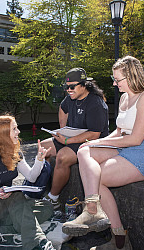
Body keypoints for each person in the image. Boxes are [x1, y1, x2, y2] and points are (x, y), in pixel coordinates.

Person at [62, 56, 144, 249]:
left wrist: (98, 142)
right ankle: (95, 212)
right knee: (84, 152)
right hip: (127, 145)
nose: (114, 83)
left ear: (132, 77)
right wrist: (92, 142)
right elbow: (119, 131)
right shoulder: (125, 98)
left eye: (117, 79)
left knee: (98, 177)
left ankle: (115, 236)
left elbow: (136, 139)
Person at [0, 114, 56, 250]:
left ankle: (0, 231)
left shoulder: (15, 153)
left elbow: (31, 177)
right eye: (14, 129)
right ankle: (37, 243)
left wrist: (39, 159)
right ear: (4, 133)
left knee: (47, 208)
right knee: (17, 196)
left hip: (11, 206)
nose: (18, 132)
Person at [41, 68, 109, 209]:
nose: (69, 90)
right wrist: (63, 129)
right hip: (71, 137)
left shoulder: (95, 103)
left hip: (90, 142)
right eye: (66, 87)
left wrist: (67, 141)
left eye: (72, 86)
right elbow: (62, 108)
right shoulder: (71, 98)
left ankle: (54, 198)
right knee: (42, 149)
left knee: (62, 157)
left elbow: (94, 134)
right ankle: (43, 187)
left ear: (84, 85)